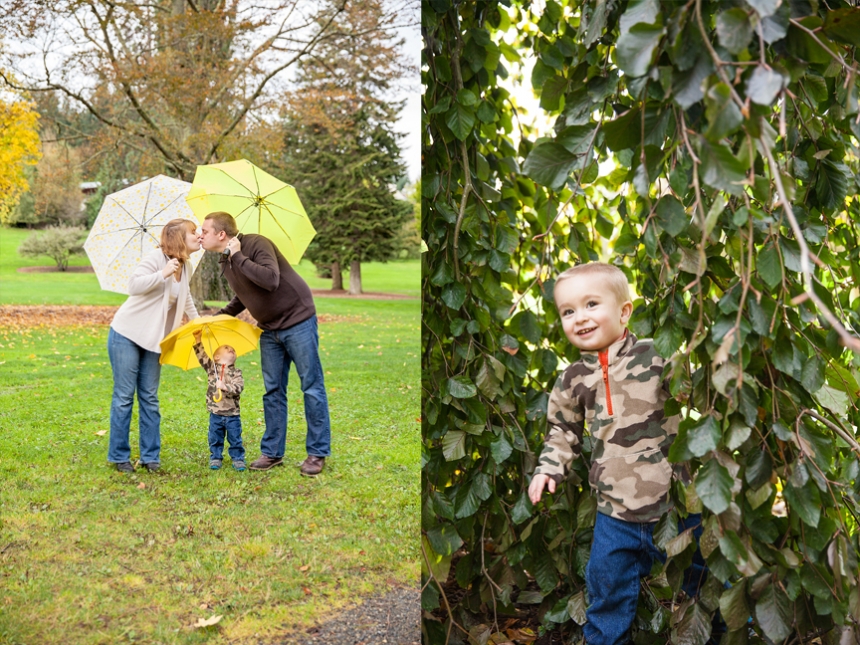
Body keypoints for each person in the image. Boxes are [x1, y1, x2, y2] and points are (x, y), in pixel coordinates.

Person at [528, 262, 708, 645]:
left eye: (592, 304)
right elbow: (561, 432)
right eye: (568, 311)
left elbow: (702, 386)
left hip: (676, 506)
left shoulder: (657, 355)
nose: (580, 318)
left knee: (702, 582)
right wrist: (548, 469)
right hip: (615, 515)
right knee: (606, 592)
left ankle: (718, 632)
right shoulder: (572, 378)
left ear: (625, 311)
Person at [198, 211, 331, 476]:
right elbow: (244, 296)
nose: (200, 236)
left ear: (221, 234)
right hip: (269, 329)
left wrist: (238, 256)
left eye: (204, 231)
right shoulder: (225, 261)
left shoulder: (257, 244)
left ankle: (317, 453)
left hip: (298, 320)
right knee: (273, 391)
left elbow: (270, 280)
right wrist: (218, 317)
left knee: (311, 386)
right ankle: (272, 453)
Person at [107, 218, 201, 473]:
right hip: (126, 334)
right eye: (193, 232)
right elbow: (133, 286)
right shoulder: (156, 258)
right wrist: (162, 274)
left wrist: (198, 322)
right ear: (180, 238)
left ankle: (151, 457)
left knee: (149, 397)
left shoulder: (187, 266)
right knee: (125, 397)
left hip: (153, 339)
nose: (199, 235)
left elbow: (185, 296)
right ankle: (119, 456)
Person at [192, 330, 246, 471]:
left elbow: (239, 387)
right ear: (217, 357)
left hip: (232, 413)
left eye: (232, 349)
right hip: (215, 412)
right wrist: (198, 339)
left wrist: (225, 386)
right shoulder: (212, 369)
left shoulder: (236, 372)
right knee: (215, 437)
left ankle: (238, 458)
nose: (231, 350)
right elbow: (202, 356)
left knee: (235, 438)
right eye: (227, 349)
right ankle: (215, 457)